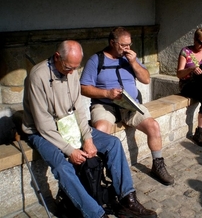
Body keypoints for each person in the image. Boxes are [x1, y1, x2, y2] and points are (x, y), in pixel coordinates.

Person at [22, 40, 157, 218]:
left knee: (113, 144)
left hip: (69, 125)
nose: (71, 72)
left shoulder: (71, 72)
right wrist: (70, 150)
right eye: (68, 67)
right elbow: (44, 125)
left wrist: (87, 138)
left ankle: (127, 200)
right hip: (42, 132)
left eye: (75, 68)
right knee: (62, 166)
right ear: (57, 57)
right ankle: (96, 214)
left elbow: (78, 110)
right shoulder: (37, 76)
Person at [80, 27, 174, 186]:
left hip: (130, 104)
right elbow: (83, 88)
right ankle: (97, 172)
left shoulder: (130, 58)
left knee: (154, 126)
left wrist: (133, 62)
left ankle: (158, 165)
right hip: (105, 104)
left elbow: (146, 79)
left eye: (129, 44)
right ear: (112, 43)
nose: (127, 48)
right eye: (124, 45)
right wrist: (106, 94)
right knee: (101, 130)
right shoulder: (96, 60)